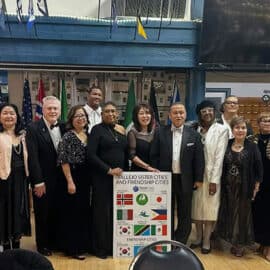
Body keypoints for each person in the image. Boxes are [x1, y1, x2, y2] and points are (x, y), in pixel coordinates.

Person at [150, 102, 204, 244]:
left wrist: (199, 178)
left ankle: (180, 241)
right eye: (175, 113)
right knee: (164, 210)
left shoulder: (194, 135)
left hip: (186, 179)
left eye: (181, 112)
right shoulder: (160, 132)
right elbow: (154, 155)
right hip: (165, 179)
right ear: (169, 115)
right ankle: (166, 238)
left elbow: (199, 158)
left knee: (184, 212)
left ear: (185, 115)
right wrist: (156, 174)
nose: (178, 115)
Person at [215, 116, 263, 257]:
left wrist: (256, 186)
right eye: (237, 127)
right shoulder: (227, 144)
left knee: (242, 216)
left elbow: (259, 168)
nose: (240, 130)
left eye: (243, 128)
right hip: (228, 188)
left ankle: (240, 244)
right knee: (229, 213)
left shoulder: (252, 146)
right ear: (232, 129)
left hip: (244, 188)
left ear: (246, 129)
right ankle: (230, 239)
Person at [87, 101, 128, 259]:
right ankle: (100, 248)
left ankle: (114, 245)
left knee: (116, 213)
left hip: (120, 180)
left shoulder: (120, 130)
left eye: (113, 111)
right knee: (101, 213)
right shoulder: (97, 130)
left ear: (117, 114)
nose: (111, 114)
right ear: (102, 114)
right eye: (107, 112)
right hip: (101, 178)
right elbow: (91, 155)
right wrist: (108, 170)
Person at [26, 96, 65, 256]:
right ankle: (42, 245)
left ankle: (56, 242)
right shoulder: (33, 128)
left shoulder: (64, 126)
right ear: (43, 110)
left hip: (62, 179)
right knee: (43, 213)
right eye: (49, 108)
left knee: (58, 211)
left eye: (55, 108)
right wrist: (38, 182)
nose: (53, 111)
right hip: (43, 180)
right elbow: (33, 158)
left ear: (60, 110)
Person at [190, 100, 228, 254]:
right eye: (203, 111)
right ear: (200, 114)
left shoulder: (222, 130)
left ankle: (206, 240)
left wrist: (214, 180)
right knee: (197, 208)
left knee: (210, 209)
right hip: (196, 176)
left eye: (210, 110)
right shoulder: (194, 129)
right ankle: (198, 238)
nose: (207, 113)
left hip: (212, 175)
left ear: (214, 112)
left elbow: (219, 157)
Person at [57, 105, 91, 260]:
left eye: (83, 115)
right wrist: (70, 181)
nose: (81, 118)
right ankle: (73, 248)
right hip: (73, 176)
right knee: (73, 213)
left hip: (86, 177)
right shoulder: (68, 136)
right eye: (77, 116)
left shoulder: (88, 134)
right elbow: (63, 161)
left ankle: (84, 245)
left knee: (84, 212)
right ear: (71, 119)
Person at [0, 103, 31, 252]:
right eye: (5, 113)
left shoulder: (23, 135)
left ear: (17, 117)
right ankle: (6, 250)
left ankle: (17, 249)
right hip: (3, 181)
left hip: (21, 181)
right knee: (5, 213)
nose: (9, 116)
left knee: (18, 212)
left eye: (12, 113)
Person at [252, 112, 270, 261]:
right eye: (263, 121)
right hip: (258, 184)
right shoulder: (253, 140)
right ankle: (261, 244)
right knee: (258, 214)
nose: (266, 123)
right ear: (258, 124)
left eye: (269, 121)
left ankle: (269, 247)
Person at [128, 103, 158, 172]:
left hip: (156, 172)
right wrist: (147, 167)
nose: (145, 116)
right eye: (141, 113)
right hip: (139, 172)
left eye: (147, 113)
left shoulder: (157, 131)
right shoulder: (132, 133)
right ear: (136, 117)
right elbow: (131, 155)